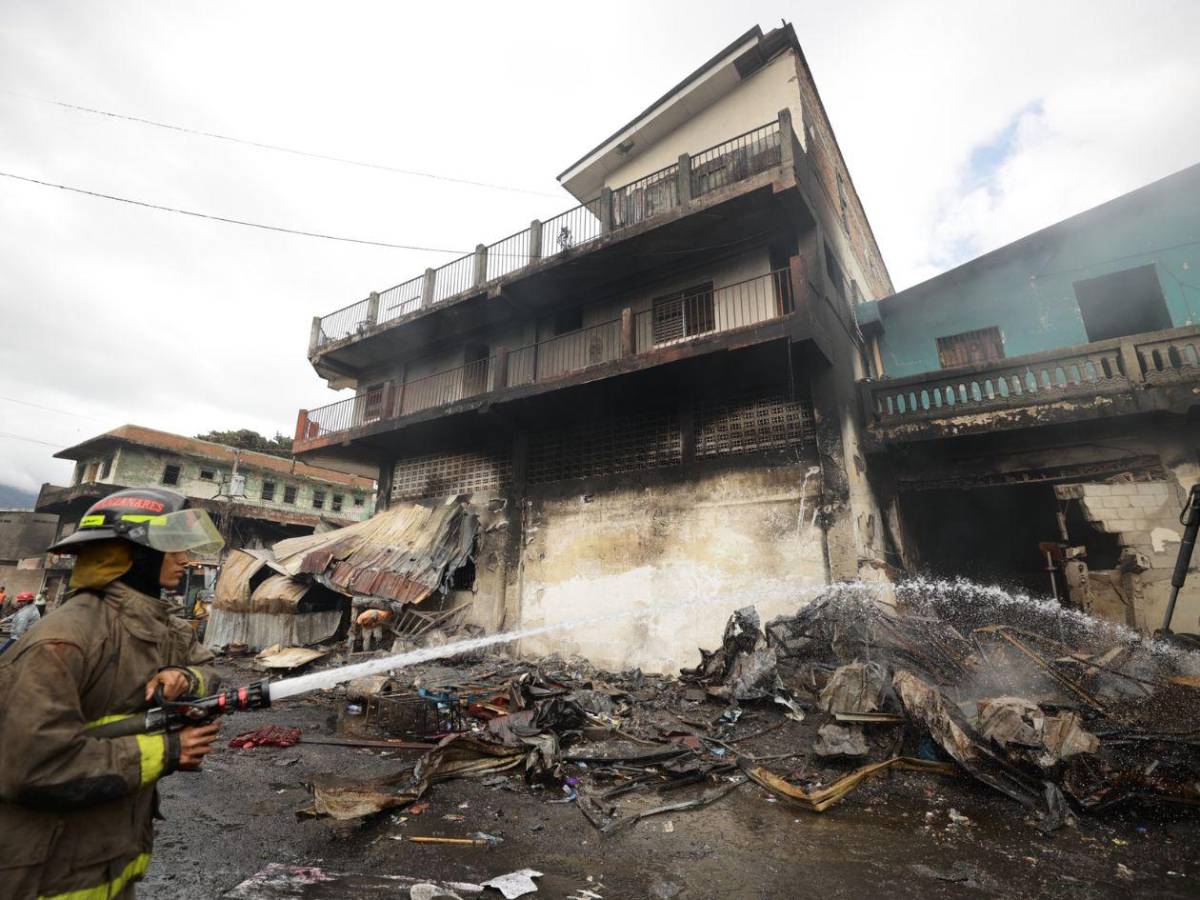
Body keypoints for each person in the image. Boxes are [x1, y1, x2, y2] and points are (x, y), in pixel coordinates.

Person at [0, 488, 226, 899]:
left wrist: (184, 677)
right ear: (130, 555)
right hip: (43, 878)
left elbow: (209, 672)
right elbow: (33, 766)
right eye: (169, 546)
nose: (184, 558)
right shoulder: (64, 642)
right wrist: (168, 751)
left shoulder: (162, 629)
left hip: (107, 862)